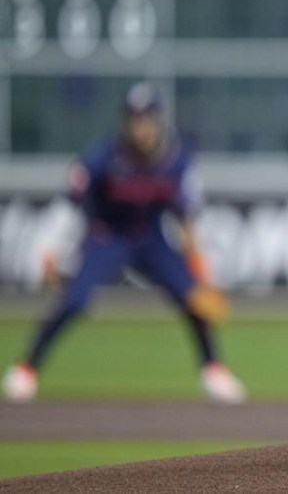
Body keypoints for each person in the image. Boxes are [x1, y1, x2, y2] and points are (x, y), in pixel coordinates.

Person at [2, 82, 245, 405]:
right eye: (134, 119)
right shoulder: (103, 157)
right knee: (74, 300)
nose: (140, 126)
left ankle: (214, 369)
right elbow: (68, 206)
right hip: (107, 235)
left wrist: (199, 272)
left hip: (151, 237)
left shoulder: (177, 160)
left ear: (159, 121)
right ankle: (26, 368)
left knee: (193, 299)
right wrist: (49, 250)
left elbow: (187, 220)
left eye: (147, 118)